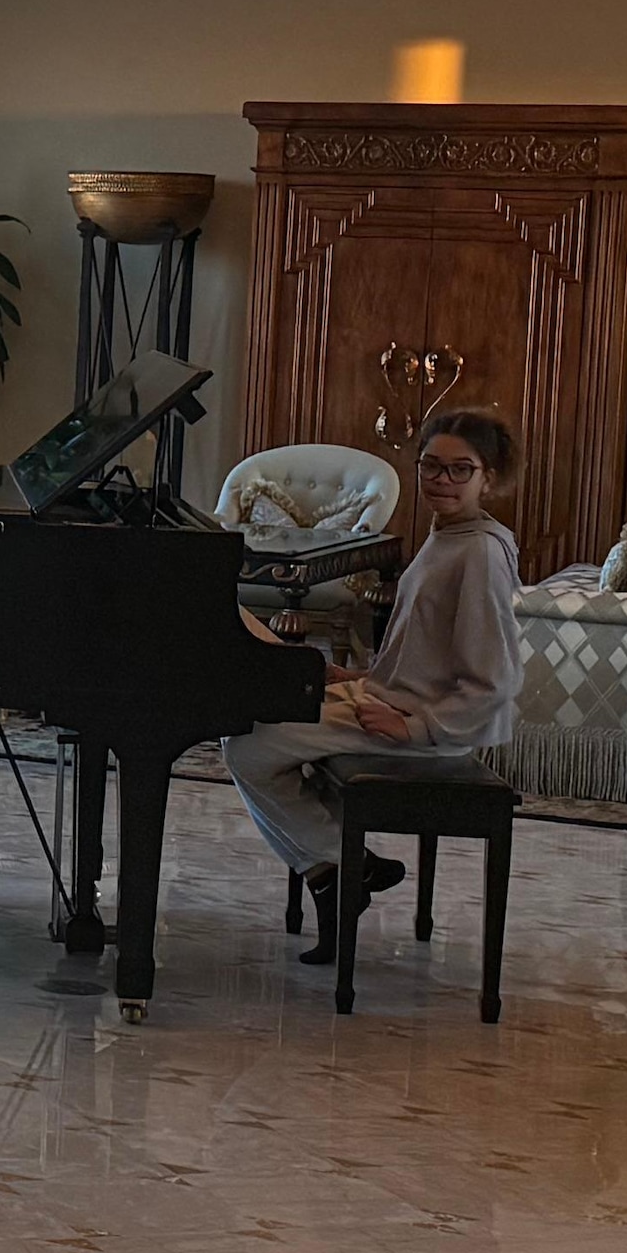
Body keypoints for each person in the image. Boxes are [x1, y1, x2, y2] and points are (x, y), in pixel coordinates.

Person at [230, 406, 518, 963]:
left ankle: (346, 865)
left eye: (460, 469)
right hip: (386, 698)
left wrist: (414, 728)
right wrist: (362, 677)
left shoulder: (481, 552)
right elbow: (427, 649)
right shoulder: (448, 534)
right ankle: (329, 877)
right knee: (250, 719)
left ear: (490, 477)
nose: (442, 480)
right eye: (431, 465)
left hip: (426, 727)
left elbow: (495, 682)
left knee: (248, 746)